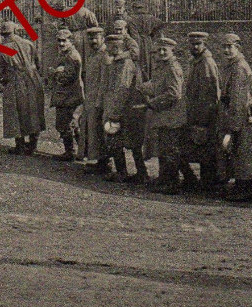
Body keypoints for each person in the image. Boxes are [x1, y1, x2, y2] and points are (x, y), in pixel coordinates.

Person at [217, 33, 252, 202]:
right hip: (238, 114)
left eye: (229, 47)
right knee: (240, 152)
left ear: (238, 48)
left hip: (242, 116)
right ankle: (242, 187)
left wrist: (233, 124)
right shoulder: (233, 65)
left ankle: (245, 190)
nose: (226, 50)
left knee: (243, 152)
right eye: (224, 47)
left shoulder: (239, 68)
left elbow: (238, 100)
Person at [143, 37, 189, 194]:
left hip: (172, 116)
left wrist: (153, 103)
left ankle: (172, 183)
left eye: (165, 50)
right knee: (164, 149)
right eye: (159, 50)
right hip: (164, 115)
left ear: (172, 51)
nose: (161, 53)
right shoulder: (162, 67)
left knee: (170, 151)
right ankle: (165, 178)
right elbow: (157, 85)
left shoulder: (172, 68)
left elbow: (174, 94)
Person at [0, 21, 47, 155]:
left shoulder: (1, 48)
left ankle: (20, 145)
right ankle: (33, 145)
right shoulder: (28, 43)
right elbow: (38, 63)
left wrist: (1, 81)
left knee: (16, 111)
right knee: (33, 110)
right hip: (33, 78)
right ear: (15, 31)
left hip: (15, 80)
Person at [103, 33, 148, 183]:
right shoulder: (117, 63)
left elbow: (122, 90)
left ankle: (133, 173)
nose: (108, 49)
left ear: (116, 47)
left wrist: (115, 113)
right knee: (126, 142)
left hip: (128, 109)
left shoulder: (125, 64)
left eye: (110, 46)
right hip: (127, 108)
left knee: (122, 141)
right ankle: (135, 173)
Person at [184, 31, 221, 192]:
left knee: (207, 152)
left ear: (204, 45)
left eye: (198, 44)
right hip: (194, 111)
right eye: (192, 44)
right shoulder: (194, 61)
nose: (195, 47)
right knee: (199, 150)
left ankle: (209, 184)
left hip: (205, 114)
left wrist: (204, 119)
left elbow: (211, 92)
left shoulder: (206, 63)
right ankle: (199, 181)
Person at [47, 29, 83, 161]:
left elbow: (67, 77)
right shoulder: (65, 54)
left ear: (71, 41)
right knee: (71, 125)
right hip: (66, 95)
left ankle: (72, 152)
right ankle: (80, 151)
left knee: (65, 124)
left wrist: (54, 73)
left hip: (69, 95)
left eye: (64, 41)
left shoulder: (71, 56)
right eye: (59, 41)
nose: (61, 44)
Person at [79, 27, 111, 172]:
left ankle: (104, 163)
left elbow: (104, 80)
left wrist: (99, 101)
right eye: (90, 38)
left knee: (99, 131)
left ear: (102, 38)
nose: (93, 41)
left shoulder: (105, 55)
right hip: (90, 97)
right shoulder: (92, 54)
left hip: (99, 99)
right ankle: (99, 160)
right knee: (92, 130)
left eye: (96, 38)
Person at [129, 1, 166, 79]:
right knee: (149, 60)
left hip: (138, 42)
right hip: (149, 42)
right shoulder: (151, 17)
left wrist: (135, 46)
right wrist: (151, 34)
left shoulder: (132, 19)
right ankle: (149, 78)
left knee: (139, 62)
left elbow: (134, 35)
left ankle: (141, 80)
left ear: (135, 9)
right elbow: (161, 24)